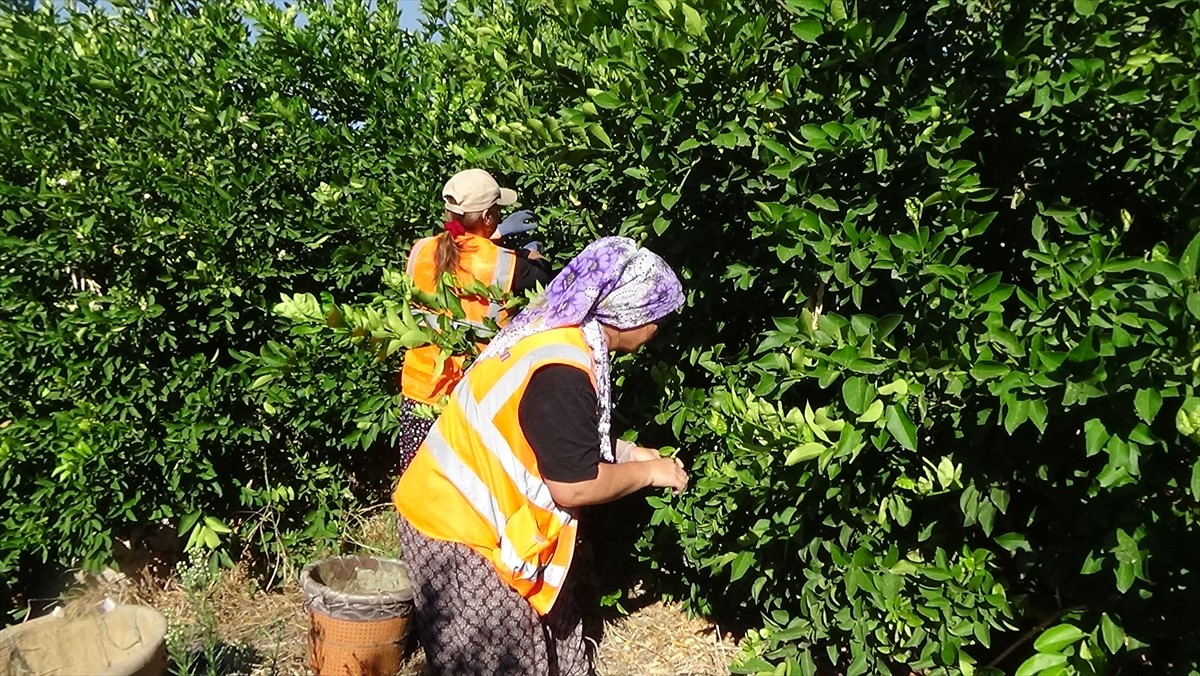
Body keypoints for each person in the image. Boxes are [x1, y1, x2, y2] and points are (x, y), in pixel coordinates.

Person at [393, 236, 689, 676]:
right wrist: (649, 473)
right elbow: (573, 484)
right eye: (655, 317)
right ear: (627, 313)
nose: (657, 330)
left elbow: (550, 434)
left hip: (466, 515)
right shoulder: (564, 369)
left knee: (560, 643)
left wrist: (626, 451)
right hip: (462, 534)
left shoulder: (552, 331)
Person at [397, 169, 553, 472]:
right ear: (486, 217)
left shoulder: (421, 249)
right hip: (470, 394)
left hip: (420, 388)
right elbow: (544, 280)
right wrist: (532, 254)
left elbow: (459, 253)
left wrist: (494, 238)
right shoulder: (505, 263)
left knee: (421, 482)